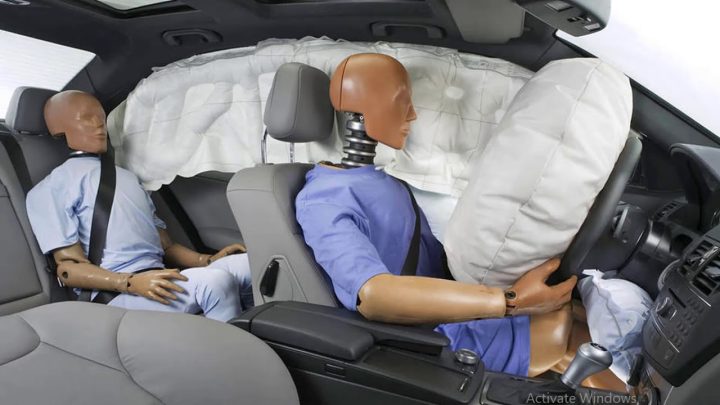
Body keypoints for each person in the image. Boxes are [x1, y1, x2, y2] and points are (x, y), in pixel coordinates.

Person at [296, 54, 577, 376]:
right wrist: (510, 301)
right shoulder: (323, 200)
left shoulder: (385, 181)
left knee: (575, 314)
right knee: (564, 333)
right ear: (359, 108)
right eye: (402, 101)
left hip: (448, 308)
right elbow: (373, 294)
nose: (412, 114)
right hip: (422, 338)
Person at [26, 90, 252, 322]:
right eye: (86, 118)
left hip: (157, 279)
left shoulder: (128, 178)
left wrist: (207, 260)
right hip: (115, 294)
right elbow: (69, 269)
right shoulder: (51, 188)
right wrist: (130, 283)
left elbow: (166, 246)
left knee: (251, 265)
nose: (99, 125)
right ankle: (231, 344)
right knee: (215, 282)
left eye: (101, 118)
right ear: (58, 128)